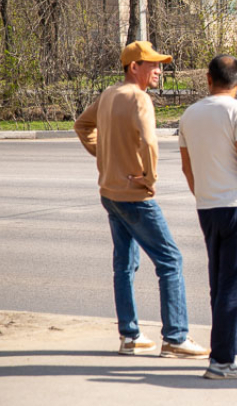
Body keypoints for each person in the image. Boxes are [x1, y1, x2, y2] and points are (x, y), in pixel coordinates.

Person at [74, 41, 210, 359]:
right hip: (134, 196)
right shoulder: (139, 98)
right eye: (152, 64)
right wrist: (149, 179)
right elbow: (150, 141)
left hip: (109, 192)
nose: (159, 71)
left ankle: (130, 336)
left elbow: (82, 125)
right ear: (134, 67)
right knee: (171, 261)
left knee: (124, 265)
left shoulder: (108, 94)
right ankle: (175, 338)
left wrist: (103, 155)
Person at [179, 55, 237, 380]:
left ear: (207, 79)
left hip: (208, 208)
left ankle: (231, 347)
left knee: (220, 283)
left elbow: (187, 168)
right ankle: (221, 360)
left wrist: (203, 196)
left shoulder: (189, 114)